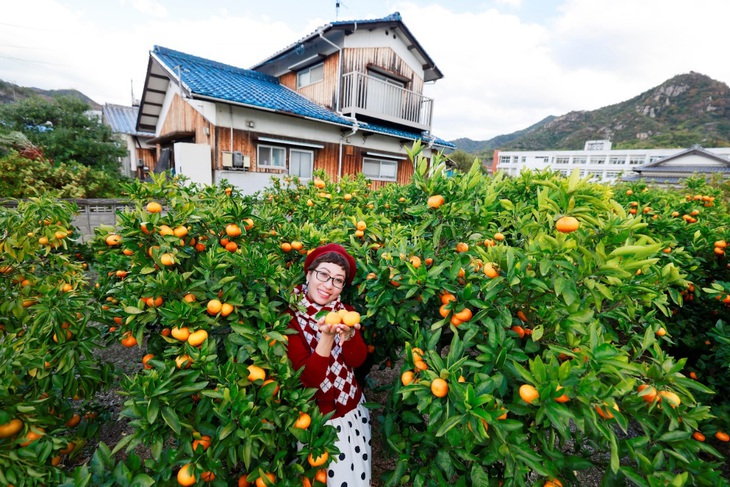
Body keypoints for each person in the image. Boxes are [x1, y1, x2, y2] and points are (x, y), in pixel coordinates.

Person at [286, 243, 371, 486]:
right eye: (323, 274)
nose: (328, 285)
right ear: (309, 274)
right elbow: (308, 379)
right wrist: (326, 338)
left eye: (337, 280)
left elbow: (357, 361)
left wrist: (350, 338)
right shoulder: (289, 317)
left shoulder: (346, 312)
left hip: (350, 411)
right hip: (313, 418)